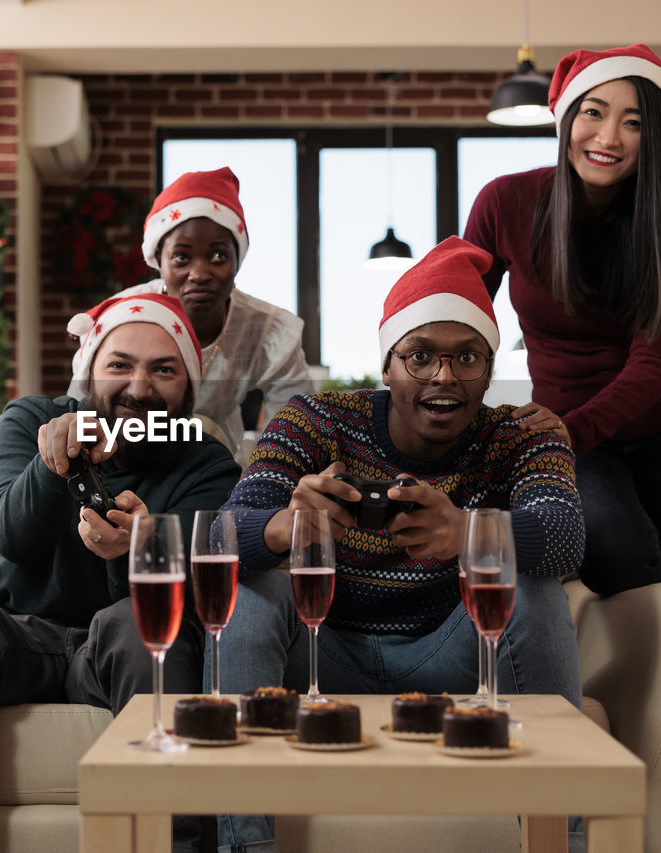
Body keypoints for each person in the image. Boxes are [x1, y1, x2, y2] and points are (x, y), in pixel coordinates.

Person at [212, 237, 585, 853]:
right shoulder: (315, 420)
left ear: (488, 371)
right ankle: (245, 846)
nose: (444, 375)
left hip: (452, 652)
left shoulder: (520, 434)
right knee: (249, 585)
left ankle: (563, 842)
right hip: (320, 649)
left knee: (533, 584)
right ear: (387, 366)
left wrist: (467, 533)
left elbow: (568, 540)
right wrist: (286, 526)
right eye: (419, 357)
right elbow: (226, 534)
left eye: (468, 357)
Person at [0, 293, 241, 853]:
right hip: (18, 634)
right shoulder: (32, 419)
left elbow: (196, 589)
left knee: (143, 628)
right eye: (119, 365)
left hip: (121, 643)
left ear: (189, 390)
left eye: (164, 369)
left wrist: (139, 545)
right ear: (88, 372)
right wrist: (51, 464)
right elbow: (9, 535)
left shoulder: (205, 460)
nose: (139, 387)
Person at [463, 43, 661, 597]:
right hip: (575, 437)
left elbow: (656, 363)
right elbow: (463, 319)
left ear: (652, 136)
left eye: (632, 122)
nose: (608, 138)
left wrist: (569, 429)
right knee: (626, 570)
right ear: (567, 119)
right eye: (594, 112)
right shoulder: (505, 202)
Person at [68, 166, 315, 454]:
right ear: (159, 261)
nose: (199, 273)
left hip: (220, 458)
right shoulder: (119, 320)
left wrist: (260, 476)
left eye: (218, 255)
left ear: (238, 261)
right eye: (181, 257)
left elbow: (296, 427)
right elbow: (77, 410)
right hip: (122, 454)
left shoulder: (267, 330)